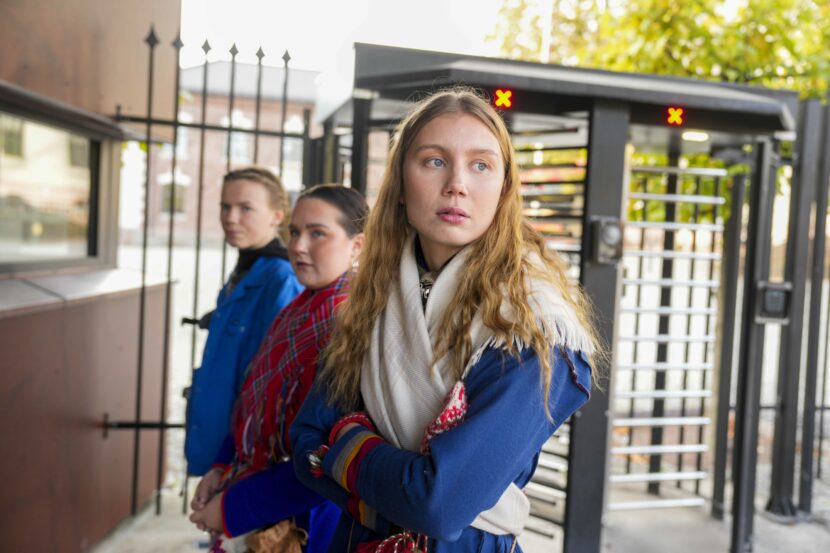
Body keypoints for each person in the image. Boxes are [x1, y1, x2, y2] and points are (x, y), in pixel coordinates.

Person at [290, 88, 598, 552]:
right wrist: (393, 494)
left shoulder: (534, 325)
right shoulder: (370, 299)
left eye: (481, 165)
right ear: (399, 183)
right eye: (434, 161)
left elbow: (440, 506)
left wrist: (348, 445)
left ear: (504, 190)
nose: (457, 183)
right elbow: (305, 443)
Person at [190, 185, 369, 553]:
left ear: (358, 245)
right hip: (251, 490)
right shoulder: (299, 308)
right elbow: (255, 401)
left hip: (306, 523)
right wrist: (222, 465)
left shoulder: (352, 326)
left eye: (318, 233)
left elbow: (327, 458)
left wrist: (232, 507)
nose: (299, 245)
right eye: (294, 232)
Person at [185, 167, 304, 476]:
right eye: (225, 207)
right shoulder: (247, 268)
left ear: (277, 216)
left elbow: (274, 381)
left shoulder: (281, 278)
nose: (231, 217)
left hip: (244, 452)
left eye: (245, 208)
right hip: (220, 441)